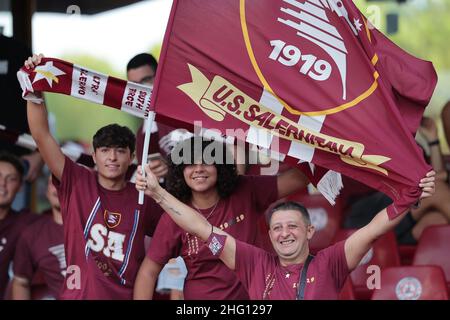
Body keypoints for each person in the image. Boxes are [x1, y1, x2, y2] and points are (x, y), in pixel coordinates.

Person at [136, 165, 435, 299]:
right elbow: (201, 226)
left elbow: (373, 229)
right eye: (277, 228)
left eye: (292, 226)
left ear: (309, 230)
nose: (284, 233)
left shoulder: (330, 262)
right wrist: (158, 194)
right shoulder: (253, 264)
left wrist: (409, 196)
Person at [24, 54, 163, 299]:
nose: (112, 157)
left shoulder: (146, 197)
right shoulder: (76, 181)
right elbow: (41, 135)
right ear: (94, 156)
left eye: (120, 151)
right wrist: (36, 89)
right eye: (105, 151)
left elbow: (166, 247)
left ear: (132, 157)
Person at [133, 137, 310, 300]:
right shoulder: (173, 215)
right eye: (190, 164)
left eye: (207, 161)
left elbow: (300, 178)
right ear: (180, 171)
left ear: (220, 166)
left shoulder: (245, 189)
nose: (199, 169)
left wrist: (287, 137)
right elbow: (148, 271)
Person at [12, 176, 65, 300]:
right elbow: (21, 282)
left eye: (64, 182)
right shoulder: (32, 234)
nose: (58, 187)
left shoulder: (97, 226)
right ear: (46, 191)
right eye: (53, 183)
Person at [0, 152, 39, 299]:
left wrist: (41, 154)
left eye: (11, 179)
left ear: (20, 186)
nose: (3, 183)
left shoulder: (22, 222)